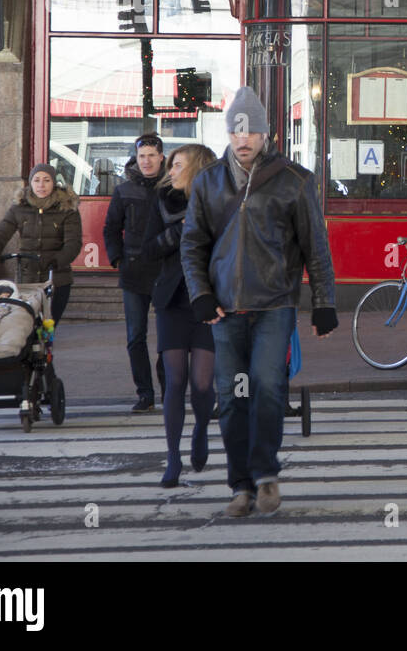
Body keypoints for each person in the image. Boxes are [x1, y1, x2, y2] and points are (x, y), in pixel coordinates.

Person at [181, 87, 337, 517]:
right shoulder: (209, 182)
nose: (243, 139)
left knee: (268, 387)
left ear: (266, 133)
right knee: (232, 395)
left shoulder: (295, 180)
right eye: (236, 130)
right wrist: (200, 294)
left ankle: (265, 474)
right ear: (229, 133)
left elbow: (315, 247)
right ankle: (241, 486)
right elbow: (192, 245)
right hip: (224, 308)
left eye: (251, 131)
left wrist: (324, 302)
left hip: (274, 304)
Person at [141, 144, 218, 487]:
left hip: (208, 300)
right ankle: (172, 456)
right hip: (172, 300)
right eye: (170, 165)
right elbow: (148, 249)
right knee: (175, 380)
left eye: (177, 165)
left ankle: (201, 427)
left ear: (197, 168)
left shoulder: (219, 201)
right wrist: (179, 230)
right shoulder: (162, 201)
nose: (169, 171)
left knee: (202, 383)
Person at [104, 133, 167, 413]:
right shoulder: (124, 190)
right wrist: (117, 258)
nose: (147, 161)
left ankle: (170, 390)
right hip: (133, 271)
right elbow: (111, 228)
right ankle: (145, 394)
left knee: (168, 337)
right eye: (142, 156)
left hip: (166, 271)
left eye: (152, 155)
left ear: (161, 157)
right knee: (135, 337)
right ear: (136, 158)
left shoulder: (173, 186)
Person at [0, 164, 82, 325]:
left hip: (56, 277)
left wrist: (57, 260)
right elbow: (0, 235)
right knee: (25, 325)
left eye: (46, 180)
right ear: (30, 182)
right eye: (37, 180)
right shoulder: (19, 207)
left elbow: (73, 243)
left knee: (47, 327)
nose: (41, 185)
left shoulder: (67, 208)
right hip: (26, 278)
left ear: (54, 183)